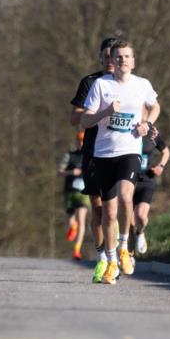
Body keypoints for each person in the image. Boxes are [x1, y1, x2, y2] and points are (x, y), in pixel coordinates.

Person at [80, 39, 160, 285]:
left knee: (127, 198)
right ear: (111, 61)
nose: (123, 60)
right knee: (109, 211)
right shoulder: (101, 85)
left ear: (133, 61)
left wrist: (147, 123)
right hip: (104, 154)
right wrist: (106, 113)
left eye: (127, 56)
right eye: (118, 57)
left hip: (130, 150)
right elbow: (84, 122)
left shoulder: (142, 84)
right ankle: (111, 260)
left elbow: (154, 106)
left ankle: (125, 246)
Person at [69, 38, 118, 283]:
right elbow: (73, 118)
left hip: (121, 150)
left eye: (115, 56)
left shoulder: (130, 84)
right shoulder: (90, 82)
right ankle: (102, 260)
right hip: (93, 151)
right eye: (106, 57)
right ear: (100, 58)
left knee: (116, 207)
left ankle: (117, 256)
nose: (111, 61)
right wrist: (97, 112)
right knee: (97, 207)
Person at [130, 125, 170, 256]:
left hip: (147, 179)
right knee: (129, 222)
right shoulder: (127, 132)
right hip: (129, 180)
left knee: (141, 217)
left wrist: (161, 166)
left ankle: (140, 232)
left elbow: (166, 151)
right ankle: (129, 255)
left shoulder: (152, 134)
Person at [57, 135, 90, 260]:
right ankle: (73, 226)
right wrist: (71, 172)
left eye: (83, 141)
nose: (81, 143)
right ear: (76, 142)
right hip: (70, 190)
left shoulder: (90, 155)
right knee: (71, 219)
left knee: (81, 218)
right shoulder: (69, 155)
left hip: (83, 192)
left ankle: (77, 249)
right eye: (79, 141)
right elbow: (59, 171)